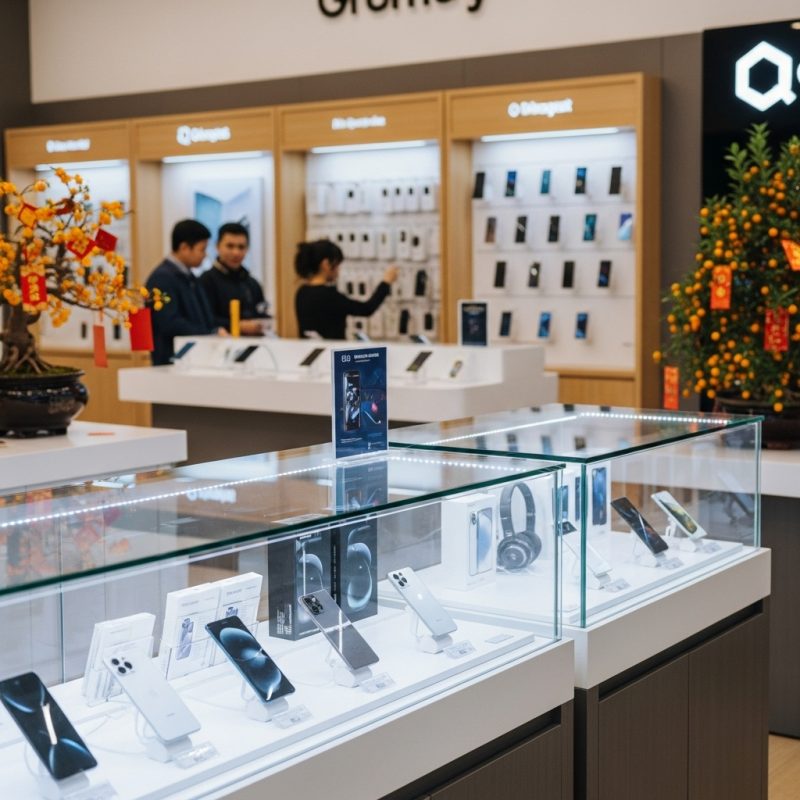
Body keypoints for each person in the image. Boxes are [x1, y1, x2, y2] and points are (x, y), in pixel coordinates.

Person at [146, 219, 225, 365]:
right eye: (202, 249)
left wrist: (214, 330)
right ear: (184, 248)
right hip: (171, 361)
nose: (205, 255)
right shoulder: (161, 279)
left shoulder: (190, 277)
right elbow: (169, 323)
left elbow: (204, 317)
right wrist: (209, 333)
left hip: (193, 358)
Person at [294, 239, 398, 339]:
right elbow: (366, 309)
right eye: (337, 265)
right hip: (332, 350)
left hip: (309, 349)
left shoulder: (301, 293)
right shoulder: (330, 296)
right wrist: (386, 282)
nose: (338, 271)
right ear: (326, 264)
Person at [199, 222, 270, 336]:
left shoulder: (253, 284)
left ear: (247, 249)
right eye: (230, 246)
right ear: (218, 246)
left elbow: (262, 314)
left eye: (241, 247)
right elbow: (204, 319)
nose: (236, 252)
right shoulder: (205, 281)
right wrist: (237, 325)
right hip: (219, 343)